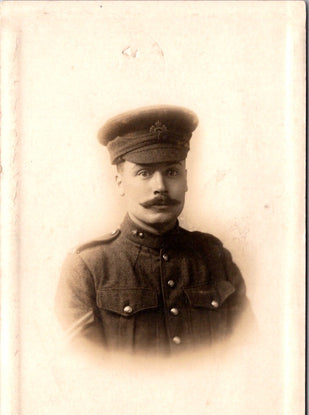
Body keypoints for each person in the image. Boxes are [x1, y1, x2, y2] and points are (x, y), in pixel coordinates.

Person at [55, 105, 248, 355]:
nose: (161, 187)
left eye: (172, 171)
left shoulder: (216, 258)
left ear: (186, 180)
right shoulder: (87, 267)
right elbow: (85, 373)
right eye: (144, 172)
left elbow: (247, 355)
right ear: (120, 182)